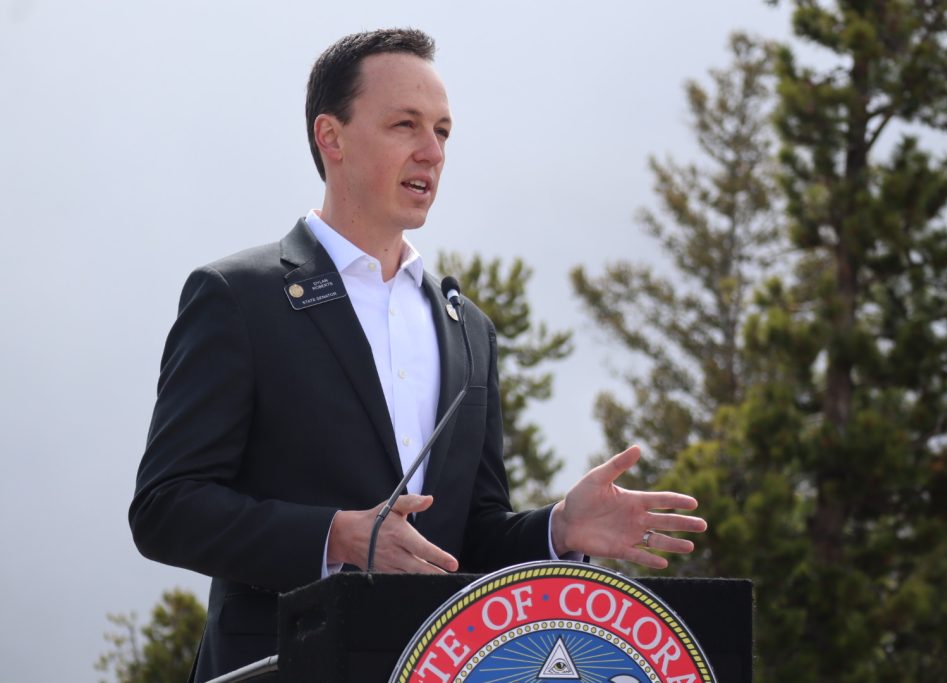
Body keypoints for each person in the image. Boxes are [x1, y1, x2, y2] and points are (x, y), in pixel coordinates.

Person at [129, 28, 707, 682]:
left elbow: (471, 537)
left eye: (443, 131)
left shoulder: (468, 329)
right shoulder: (240, 297)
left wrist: (557, 529)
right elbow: (165, 508)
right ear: (331, 137)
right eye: (405, 125)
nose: (431, 151)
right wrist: (336, 536)